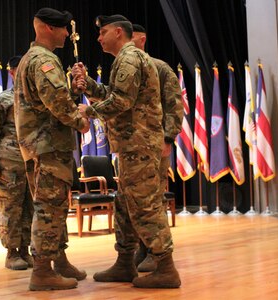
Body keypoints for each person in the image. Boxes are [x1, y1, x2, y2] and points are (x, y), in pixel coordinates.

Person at [73, 15, 181, 289]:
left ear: (118, 32)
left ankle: (165, 266)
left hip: (139, 145)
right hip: (132, 146)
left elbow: (121, 101)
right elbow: (116, 93)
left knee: (145, 204)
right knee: (125, 204)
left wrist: (90, 110)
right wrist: (91, 86)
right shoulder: (127, 59)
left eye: (103, 32)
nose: (99, 38)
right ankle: (125, 262)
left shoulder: (130, 58)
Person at [13, 7, 90, 291]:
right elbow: (57, 102)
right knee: (49, 208)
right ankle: (43, 270)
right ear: (47, 28)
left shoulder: (31, 59)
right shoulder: (44, 60)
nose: (67, 34)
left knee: (55, 206)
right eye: (62, 28)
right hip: (48, 146)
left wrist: (73, 86)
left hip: (41, 145)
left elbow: (51, 99)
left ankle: (60, 260)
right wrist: (80, 119)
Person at [131, 23, 184, 272]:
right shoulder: (127, 67)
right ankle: (141, 248)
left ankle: (156, 252)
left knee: (153, 199)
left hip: (154, 143)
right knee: (134, 201)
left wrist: (169, 138)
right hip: (132, 145)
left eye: (131, 38)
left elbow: (174, 104)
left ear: (142, 39)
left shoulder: (160, 68)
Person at [0, 55, 34, 270]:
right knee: (11, 207)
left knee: (30, 207)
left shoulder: (35, 97)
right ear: (11, 72)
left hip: (31, 160)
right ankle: (12, 252)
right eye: (19, 69)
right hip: (10, 160)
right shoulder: (2, 99)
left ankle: (25, 249)